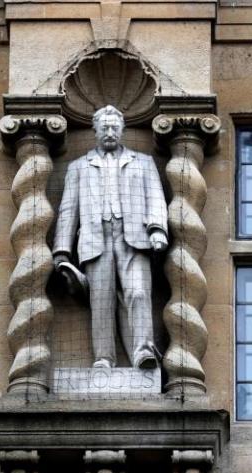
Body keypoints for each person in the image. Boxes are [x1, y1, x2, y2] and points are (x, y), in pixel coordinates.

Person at [52, 105, 169, 369]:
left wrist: (158, 230)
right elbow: (68, 210)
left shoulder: (143, 162)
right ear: (94, 130)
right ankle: (104, 358)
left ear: (122, 130)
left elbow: (156, 199)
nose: (109, 132)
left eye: (114, 127)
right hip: (95, 239)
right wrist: (61, 250)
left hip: (134, 238)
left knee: (138, 293)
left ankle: (143, 352)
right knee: (101, 301)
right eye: (104, 127)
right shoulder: (78, 167)